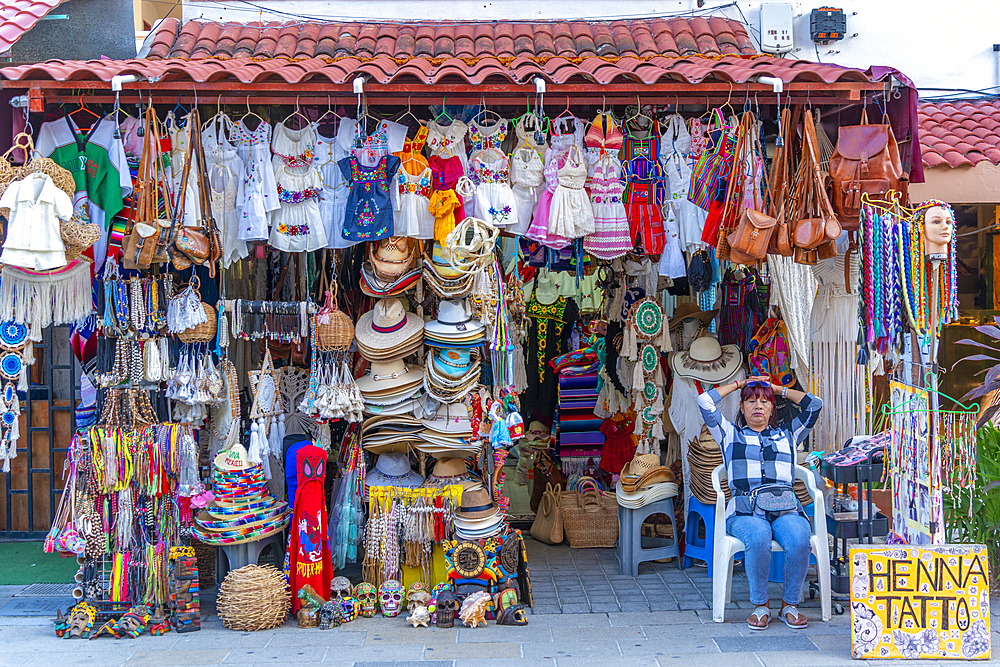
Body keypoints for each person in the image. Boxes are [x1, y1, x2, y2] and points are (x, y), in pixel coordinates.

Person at [696, 375, 823, 631]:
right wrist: (739, 385)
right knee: (758, 536)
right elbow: (704, 401)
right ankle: (761, 605)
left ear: (772, 408)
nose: (758, 406)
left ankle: (789, 604)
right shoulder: (729, 434)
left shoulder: (789, 434)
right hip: (745, 510)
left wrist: (778, 389)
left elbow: (815, 405)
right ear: (742, 408)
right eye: (751, 401)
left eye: (765, 402)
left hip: (785, 506)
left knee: (800, 536)